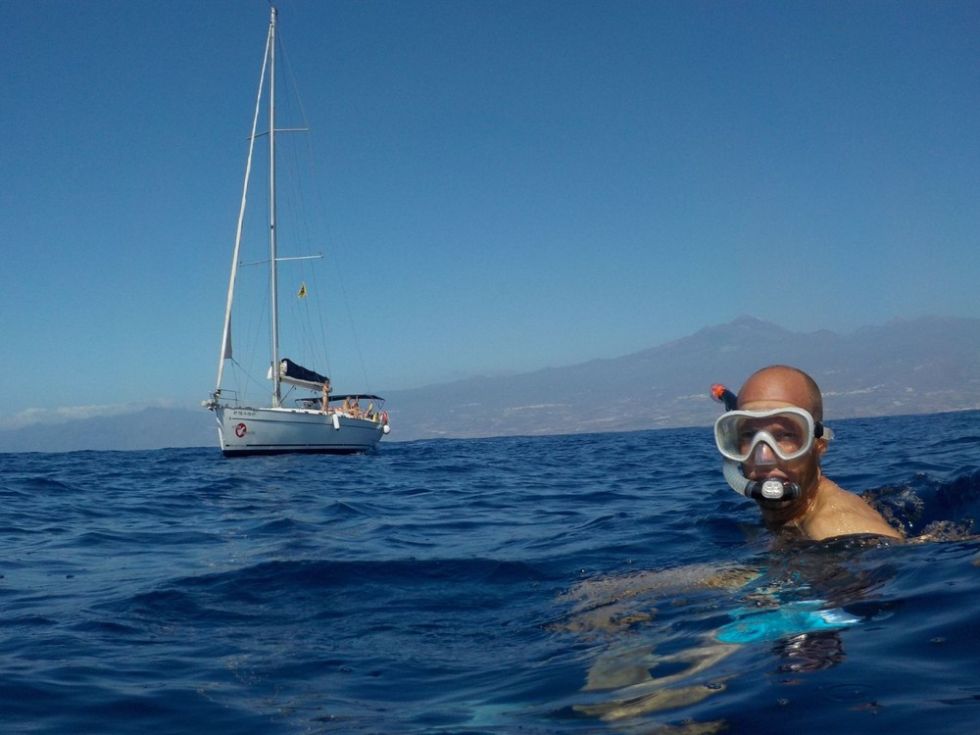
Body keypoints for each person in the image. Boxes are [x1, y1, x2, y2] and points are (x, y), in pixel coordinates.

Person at [715, 365, 902, 541]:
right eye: (749, 435)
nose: (764, 458)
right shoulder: (795, 517)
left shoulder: (835, 529)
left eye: (786, 436)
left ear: (819, 444)